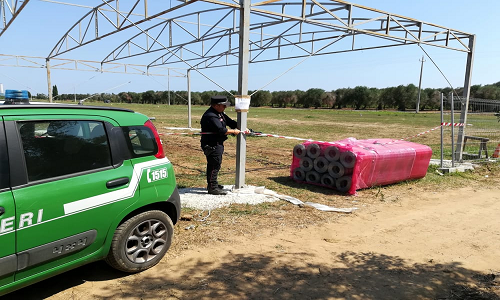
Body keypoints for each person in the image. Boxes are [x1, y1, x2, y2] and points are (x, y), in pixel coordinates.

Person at [200, 95, 247, 195]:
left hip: (217, 143)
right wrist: (233, 131)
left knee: (216, 164)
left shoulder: (220, 114)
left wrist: (244, 128)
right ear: (216, 105)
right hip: (211, 144)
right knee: (214, 165)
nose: (225, 107)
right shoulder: (211, 116)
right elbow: (221, 130)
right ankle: (212, 187)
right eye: (224, 105)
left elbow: (231, 123)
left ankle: (213, 184)